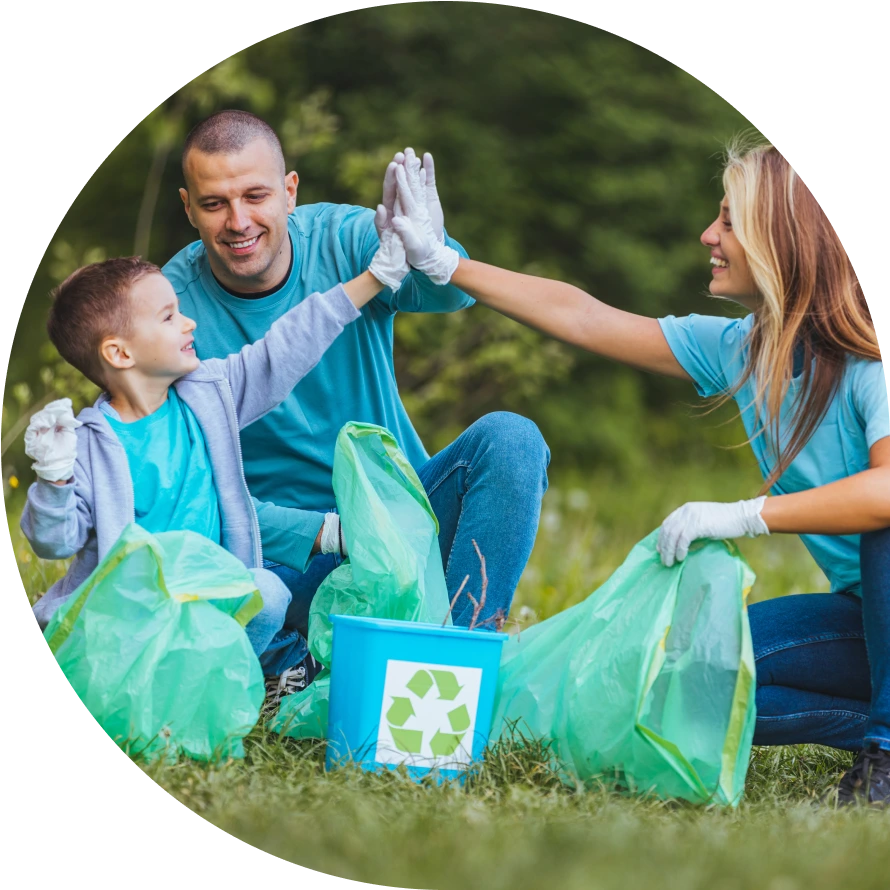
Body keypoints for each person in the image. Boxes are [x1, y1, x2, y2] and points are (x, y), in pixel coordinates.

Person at [387, 139, 889, 808]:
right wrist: (449, 265)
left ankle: (882, 758)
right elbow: (585, 318)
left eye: (731, 221)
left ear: (784, 239)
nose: (708, 236)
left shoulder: (870, 360)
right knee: (687, 687)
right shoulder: (748, 351)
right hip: (865, 622)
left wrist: (743, 516)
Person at [162, 110, 551, 695]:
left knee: (512, 438)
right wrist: (324, 533)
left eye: (256, 196)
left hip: (400, 519)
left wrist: (436, 252)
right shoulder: (170, 313)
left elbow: (447, 301)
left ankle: (462, 671)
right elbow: (183, 492)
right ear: (188, 207)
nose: (239, 221)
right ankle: (302, 659)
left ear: (290, 191)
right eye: (215, 203)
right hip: (285, 561)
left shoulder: (343, 238)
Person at [22, 239, 406, 706]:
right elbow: (54, 541)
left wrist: (372, 280)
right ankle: (163, 694)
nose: (189, 323)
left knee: (266, 592)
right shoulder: (86, 447)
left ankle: (218, 690)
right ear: (120, 354)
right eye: (167, 317)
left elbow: (283, 348)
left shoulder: (209, 394)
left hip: (211, 600)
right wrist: (55, 478)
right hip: (131, 615)